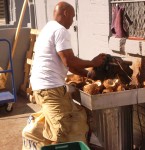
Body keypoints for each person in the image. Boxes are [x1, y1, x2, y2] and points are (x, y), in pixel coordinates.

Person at [25, 1, 107, 148]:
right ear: (66, 13)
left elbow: (69, 65)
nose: (73, 20)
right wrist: (93, 63)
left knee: (78, 116)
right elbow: (69, 60)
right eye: (73, 17)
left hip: (43, 87)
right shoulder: (60, 31)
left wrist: (87, 74)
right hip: (51, 89)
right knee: (62, 131)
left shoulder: (48, 28)